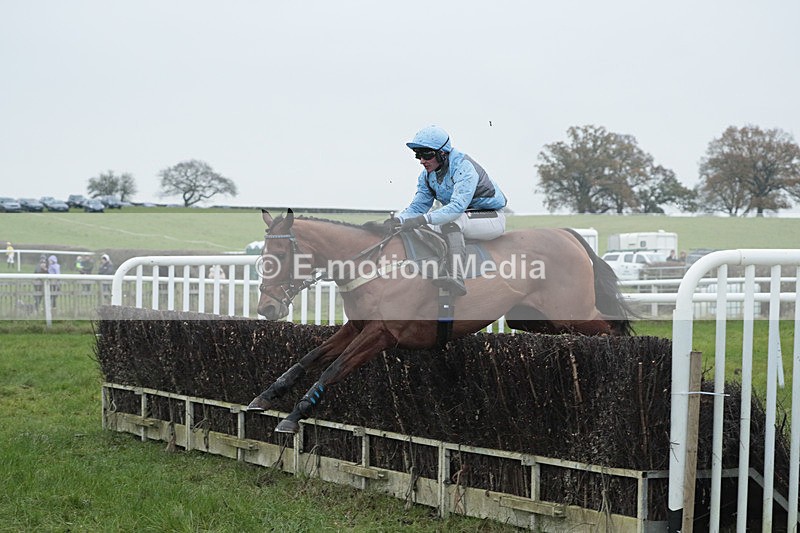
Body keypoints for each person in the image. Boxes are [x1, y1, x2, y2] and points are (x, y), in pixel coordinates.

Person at [388, 125, 507, 296]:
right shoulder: (426, 176)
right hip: (466, 216)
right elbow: (418, 207)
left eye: (426, 155)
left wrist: (423, 218)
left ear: (442, 153)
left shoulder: (463, 167)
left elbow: (457, 207)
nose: (422, 160)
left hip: (491, 216)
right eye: (418, 155)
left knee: (451, 220)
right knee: (423, 227)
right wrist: (399, 220)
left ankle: (456, 277)